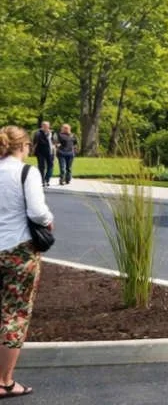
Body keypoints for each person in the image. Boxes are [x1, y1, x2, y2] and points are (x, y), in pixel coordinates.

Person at [2, 123, 53, 399]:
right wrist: (48, 220)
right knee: (14, 314)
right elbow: (36, 211)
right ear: (23, 146)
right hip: (18, 250)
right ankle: (4, 381)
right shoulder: (26, 172)